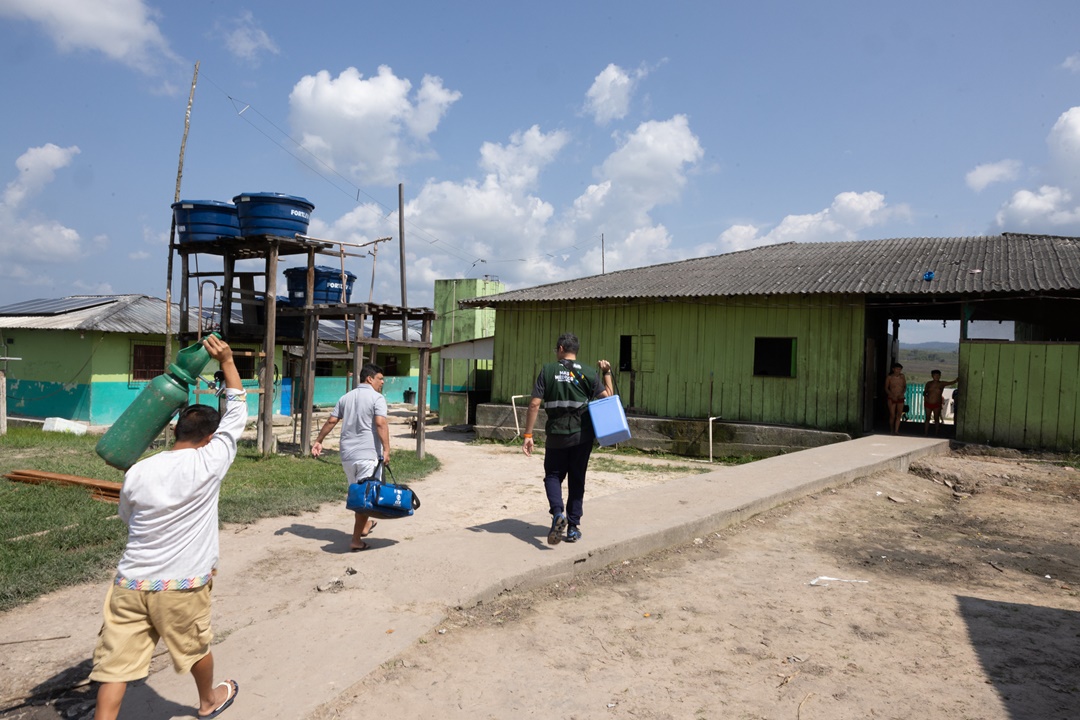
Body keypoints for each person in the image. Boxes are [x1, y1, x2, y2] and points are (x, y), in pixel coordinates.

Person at [90, 335, 244, 720]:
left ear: (176, 431)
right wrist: (226, 361)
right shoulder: (210, 463)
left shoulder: (139, 470)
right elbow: (238, 410)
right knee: (196, 648)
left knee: (116, 666)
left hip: (130, 583)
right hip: (181, 585)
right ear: (210, 437)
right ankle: (208, 701)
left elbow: (128, 516)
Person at [522, 333, 613, 545]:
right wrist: (607, 372)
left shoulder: (547, 371)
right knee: (577, 479)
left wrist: (528, 435)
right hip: (582, 436)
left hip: (556, 435)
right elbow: (608, 396)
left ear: (561, 348)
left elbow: (534, 404)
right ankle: (572, 528)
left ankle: (557, 514)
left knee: (553, 475)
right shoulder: (589, 373)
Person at [311, 363, 391, 552]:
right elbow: (380, 424)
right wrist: (387, 449)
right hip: (367, 455)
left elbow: (332, 420)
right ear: (369, 379)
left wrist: (319, 440)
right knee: (365, 497)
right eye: (380, 378)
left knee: (359, 492)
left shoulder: (345, 397)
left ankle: (364, 526)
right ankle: (356, 540)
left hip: (347, 456)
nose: (382, 382)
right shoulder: (377, 398)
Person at [923, 369, 958, 436]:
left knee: (936, 418)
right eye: (935, 375)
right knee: (927, 418)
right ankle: (926, 433)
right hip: (928, 403)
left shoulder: (942, 383)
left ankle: (936, 433)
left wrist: (956, 380)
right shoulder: (928, 384)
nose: (936, 377)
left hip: (937, 404)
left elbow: (951, 383)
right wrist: (926, 398)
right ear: (932, 376)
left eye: (938, 375)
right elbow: (925, 392)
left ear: (940, 376)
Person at [885, 362, 907, 435]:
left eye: (900, 369)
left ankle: (896, 430)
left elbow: (904, 386)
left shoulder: (902, 377)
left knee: (899, 415)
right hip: (892, 397)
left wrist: (902, 393)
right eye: (897, 369)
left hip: (900, 397)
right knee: (892, 415)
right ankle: (891, 429)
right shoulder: (889, 377)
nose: (898, 371)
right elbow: (886, 388)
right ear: (893, 369)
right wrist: (892, 395)